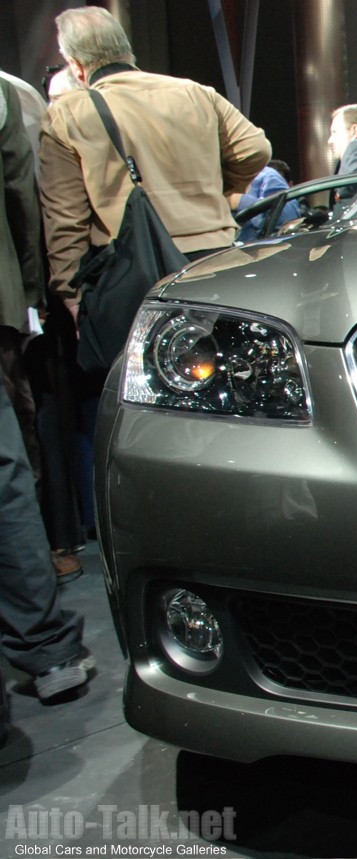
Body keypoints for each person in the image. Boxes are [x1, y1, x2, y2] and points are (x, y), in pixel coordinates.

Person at [39, 6, 271, 322]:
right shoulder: (195, 92)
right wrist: (218, 192)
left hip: (131, 268)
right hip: (215, 255)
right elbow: (255, 149)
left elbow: (66, 218)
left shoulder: (68, 114)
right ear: (126, 50)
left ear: (77, 66)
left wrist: (70, 293)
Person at [1, 77, 93, 708]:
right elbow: (21, 195)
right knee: (5, 477)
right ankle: (47, 650)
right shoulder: (6, 94)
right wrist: (30, 294)